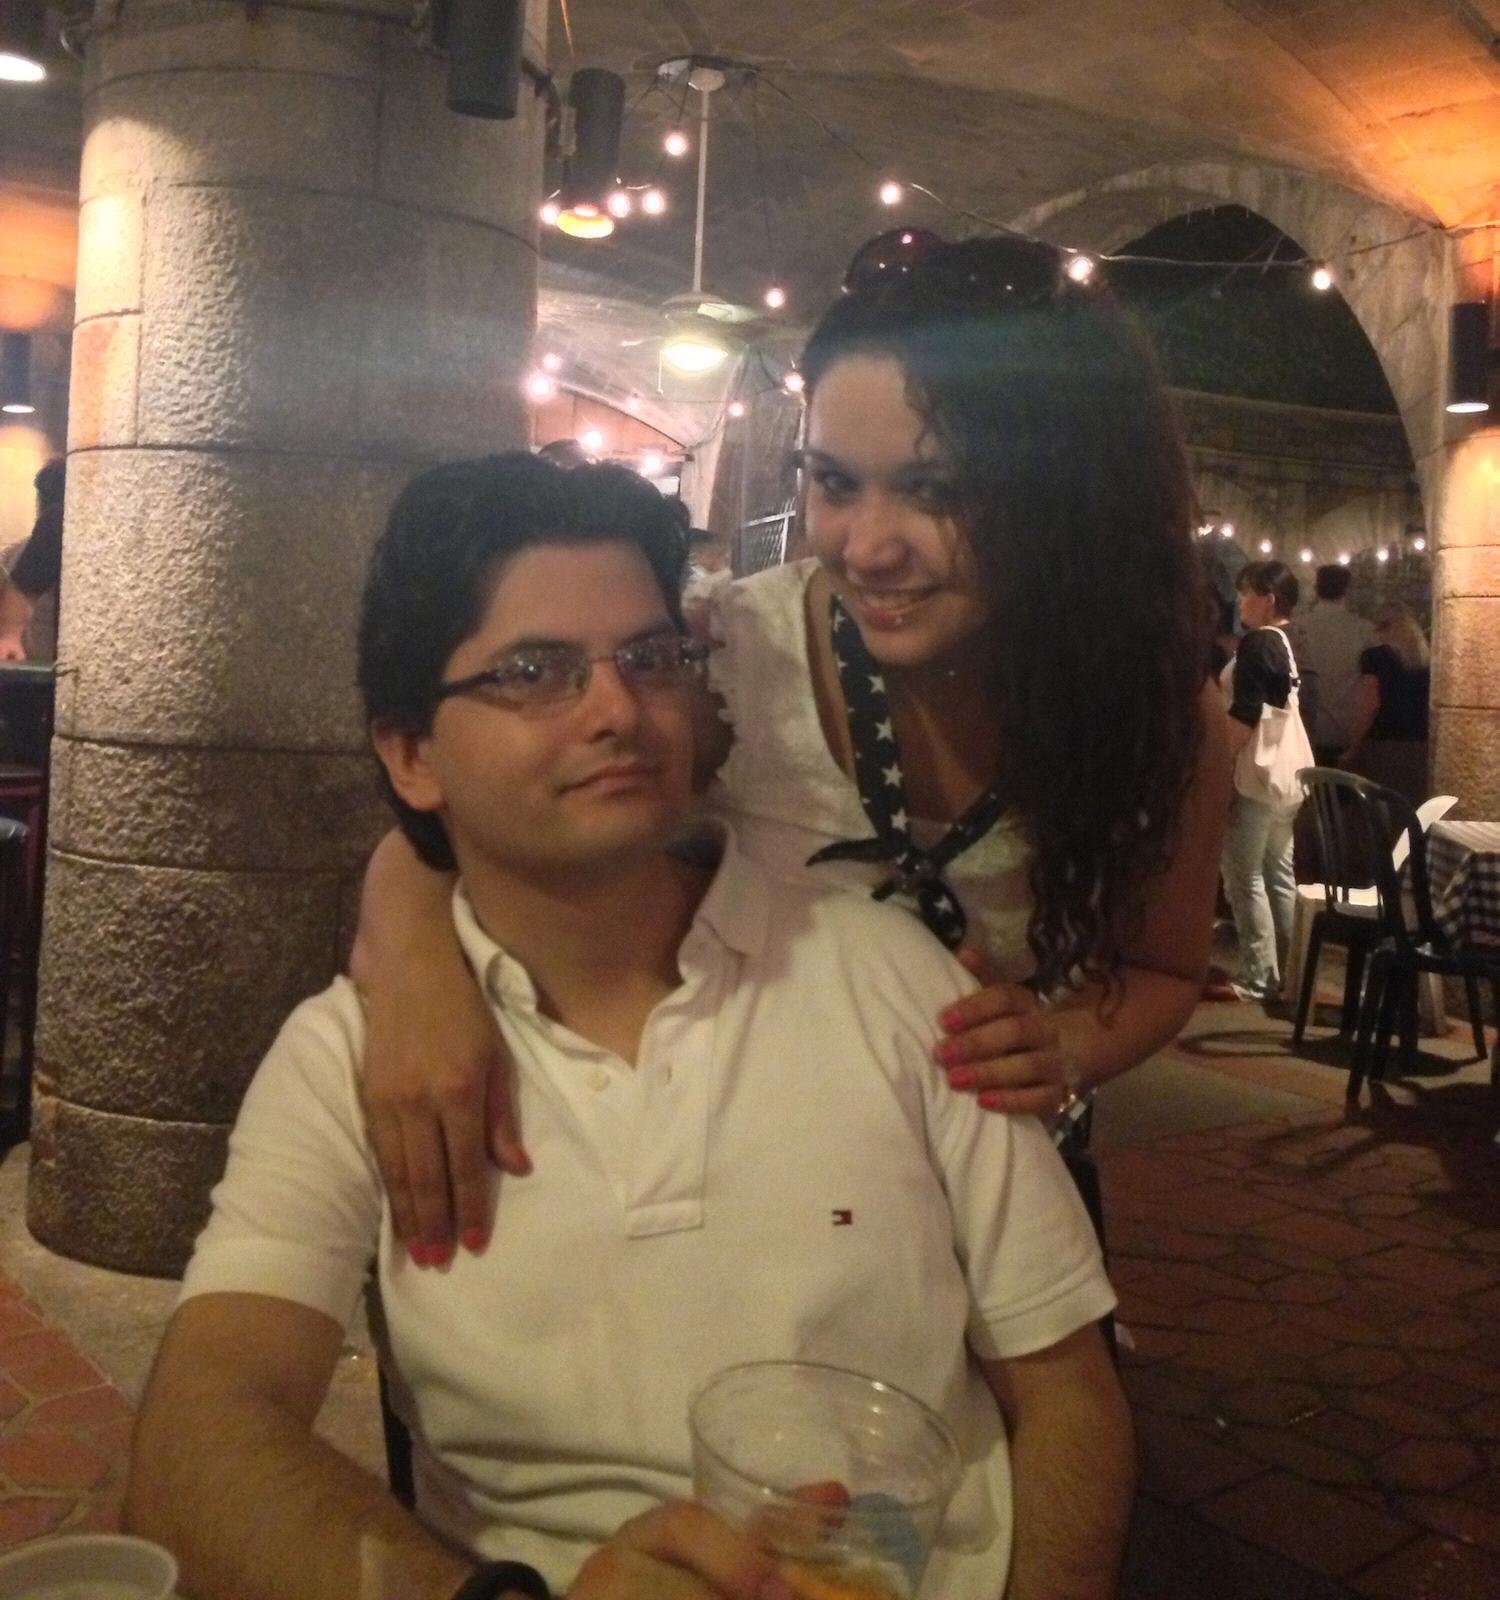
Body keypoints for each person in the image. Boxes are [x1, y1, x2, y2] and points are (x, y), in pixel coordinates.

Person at [125, 455, 1131, 1600]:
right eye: (534, 672)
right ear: (412, 753)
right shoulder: (352, 1059)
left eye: (650, 658)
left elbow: (1068, 1393)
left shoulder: (891, 973)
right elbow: (197, 1435)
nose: (618, 710)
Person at [352, 231, 1232, 1257]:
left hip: (991, 1199)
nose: (868, 545)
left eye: (937, 491)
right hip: (751, 1194)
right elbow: (451, 829)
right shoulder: (730, 656)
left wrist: (1066, 1044)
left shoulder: (1152, 710)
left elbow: (1163, 969)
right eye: (836, 482)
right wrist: (415, 976)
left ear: (1070, 495)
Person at [1213, 559, 1311, 1003]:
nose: (1239, 601)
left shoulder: (1258, 643)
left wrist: (1220, 766)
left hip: (1255, 777)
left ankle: (1260, 975)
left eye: (1245, 592)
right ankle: (1293, 974)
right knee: (1278, 875)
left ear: (1268, 598)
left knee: (1243, 875)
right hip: (1286, 777)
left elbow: (1246, 713)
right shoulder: (1291, 641)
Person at [1340, 599, 1430, 805]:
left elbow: (1370, 704)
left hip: (1383, 745)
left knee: (1382, 810)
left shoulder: (1375, 657)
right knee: (1412, 809)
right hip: (1420, 746)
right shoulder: (1426, 660)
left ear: (1382, 627)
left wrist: (1353, 746)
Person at [1297, 564, 1372, 764]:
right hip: (1347, 730)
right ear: (1347, 589)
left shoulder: (1300, 627)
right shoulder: (1363, 630)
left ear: (1316, 588)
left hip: (1307, 728)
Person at [0, 455, 64, 662]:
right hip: (43, 661)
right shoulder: (57, 523)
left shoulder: (13, 552)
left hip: (32, 660)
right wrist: (9, 637)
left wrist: (9, 637)